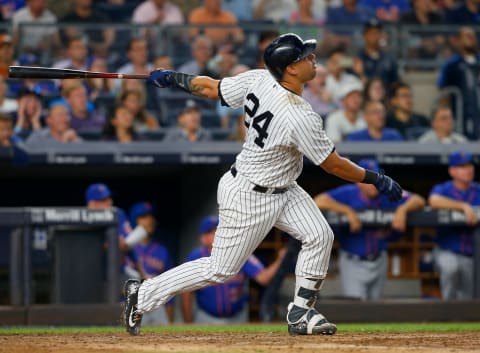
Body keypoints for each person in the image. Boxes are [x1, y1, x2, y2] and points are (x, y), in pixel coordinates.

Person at [123, 32, 403, 336]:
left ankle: (300, 313)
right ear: (291, 69)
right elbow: (332, 164)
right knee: (220, 270)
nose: (313, 59)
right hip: (249, 194)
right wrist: (374, 177)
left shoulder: (258, 79)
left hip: (284, 187)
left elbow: (209, 87)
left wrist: (173, 78)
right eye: (305, 57)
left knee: (320, 235)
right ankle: (143, 295)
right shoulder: (298, 116)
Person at [315, 159, 426, 300]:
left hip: (379, 258)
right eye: (368, 179)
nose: (373, 184)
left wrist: (403, 210)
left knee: (376, 307)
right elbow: (319, 201)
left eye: (376, 178)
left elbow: (419, 200)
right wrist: (346, 210)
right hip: (352, 260)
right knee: (356, 307)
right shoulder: (348, 193)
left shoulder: (386, 192)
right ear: (357, 180)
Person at [181, 215, 285, 324]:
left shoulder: (240, 253)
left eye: (220, 230)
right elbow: (186, 293)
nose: (218, 234)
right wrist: (188, 323)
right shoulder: (195, 257)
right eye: (212, 232)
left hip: (237, 318)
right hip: (206, 318)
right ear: (203, 238)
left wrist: (281, 259)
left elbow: (264, 278)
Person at [428, 150, 479, 300]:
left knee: (468, 297)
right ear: (452, 171)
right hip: (447, 250)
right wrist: (462, 206)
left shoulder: (478, 190)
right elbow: (433, 200)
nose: (468, 169)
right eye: (462, 166)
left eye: (469, 165)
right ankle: (446, 313)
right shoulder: (443, 189)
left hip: (473, 254)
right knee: (451, 268)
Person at [129, 201, 174, 325]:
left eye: (151, 216)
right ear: (134, 220)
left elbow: (170, 286)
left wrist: (169, 317)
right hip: (130, 304)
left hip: (157, 306)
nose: (150, 220)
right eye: (144, 217)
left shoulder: (162, 250)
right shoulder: (126, 249)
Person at [437, 26, 480, 140]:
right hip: (461, 114)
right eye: (467, 36)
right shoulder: (451, 65)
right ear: (458, 40)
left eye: (473, 36)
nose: (471, 39)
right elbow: (444, 92)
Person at [355, 19, 399, 89]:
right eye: (371, 33)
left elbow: (395, 82)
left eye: (377, 33)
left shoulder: (389, 58)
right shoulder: (357, 57)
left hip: (385, 96)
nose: (374, 36)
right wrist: (360, 74)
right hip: (361, 96)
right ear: (364, 35)